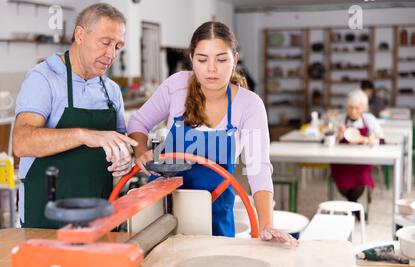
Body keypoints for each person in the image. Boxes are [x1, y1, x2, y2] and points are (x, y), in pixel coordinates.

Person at [127, 21, 298, 246]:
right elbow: (138, 123)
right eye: (202, 59)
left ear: (235, 60)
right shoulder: (177, 87)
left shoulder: (249, 105)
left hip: (213, 211)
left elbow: (259, 167)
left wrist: (266, 224)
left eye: (221, 59)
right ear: (191, 59)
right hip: (161, 210)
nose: (211, 69)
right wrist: (141, 150)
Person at [13, 3, 138, 229]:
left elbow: (120, 146)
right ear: (80, 35)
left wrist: (125, 159)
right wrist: (84, 135)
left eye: (118, 46)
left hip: (100, 219)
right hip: (46, 219)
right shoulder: (43, 79)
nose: (111, 54)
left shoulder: (111, 90)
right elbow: (22, 142)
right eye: (105, 42)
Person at [331, 89, 385, 214]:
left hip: (362, 162)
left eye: (357, 108)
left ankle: (350, 207)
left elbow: (382, 140)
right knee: (341, 178)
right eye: (350, 107)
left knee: (362, 177)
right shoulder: (340, 119)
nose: (353, 111)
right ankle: (355, 208)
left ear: (363, 108)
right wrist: (337, 136)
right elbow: (325, 141)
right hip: (341, 163)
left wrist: (365, 139)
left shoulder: (369, 119)